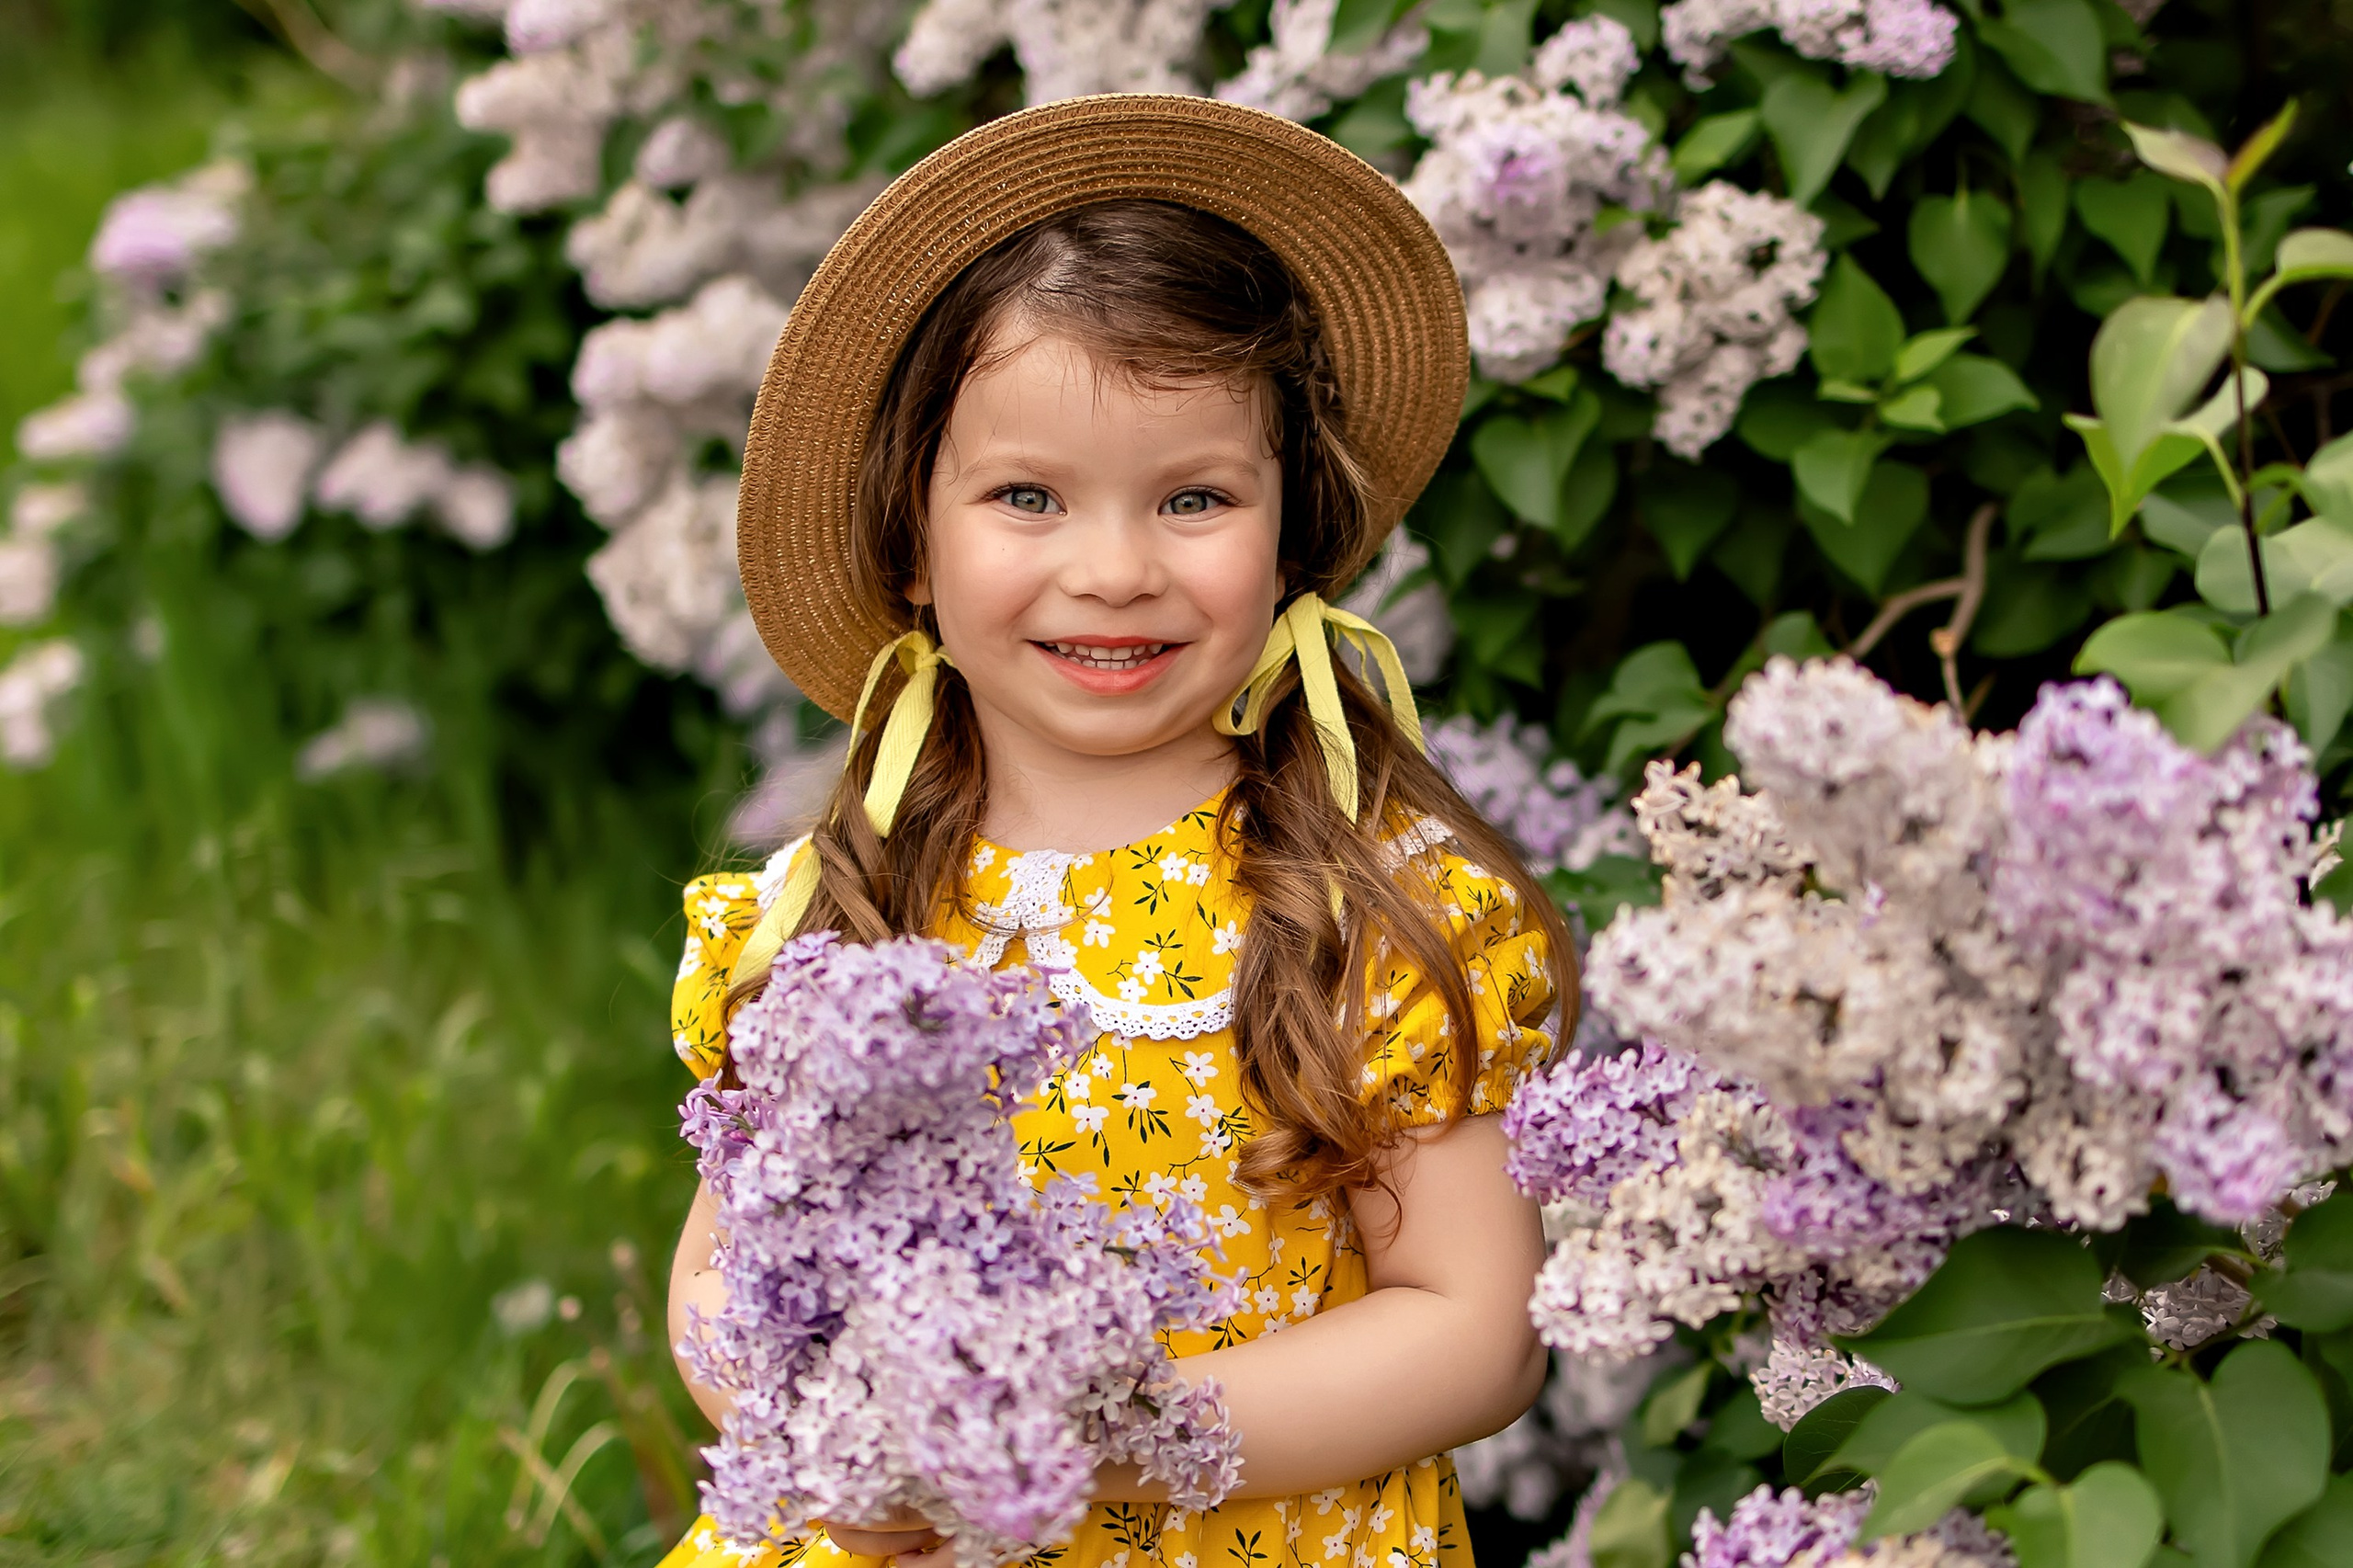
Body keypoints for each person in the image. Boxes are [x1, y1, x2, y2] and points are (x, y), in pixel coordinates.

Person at [660, 94, 1576, 1568]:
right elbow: (722, 1269)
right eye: (1027, 495)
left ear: (1292, 528)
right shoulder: (840, 903)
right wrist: (822, 1433)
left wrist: (1084, 1428)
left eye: (1193, 497)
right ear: (910, 536)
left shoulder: (1369, 903)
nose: (1113, 568)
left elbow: (1472, 1332)